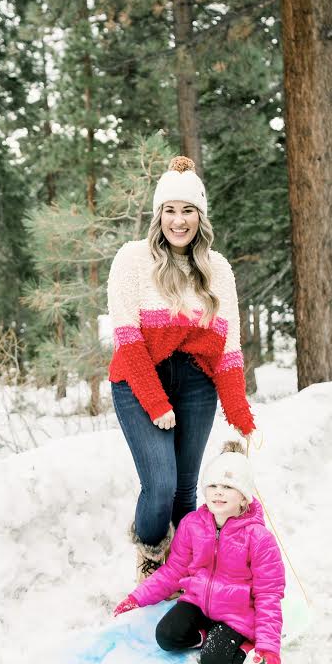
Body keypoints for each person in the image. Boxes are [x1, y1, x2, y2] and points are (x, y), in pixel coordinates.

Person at [107, 155, 255, 582]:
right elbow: (127, 338)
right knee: (161, 485)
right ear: (158, 215)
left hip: (195, 382)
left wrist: (240, 413)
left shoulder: (217, 270)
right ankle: (152, 553)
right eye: (169, 210)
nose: (178, 220)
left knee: (186, 489)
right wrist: (154, 402)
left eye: (188, 210)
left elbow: (227, 350)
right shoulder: (132, 260)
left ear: (200, 216)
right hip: (139, 379)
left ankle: (181, 565)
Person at [113, 441, 285, 664]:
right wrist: (137, 597)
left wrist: (268, 644)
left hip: (237, 614)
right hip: (200, 603)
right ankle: (205, 636)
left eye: (228, 486)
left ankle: (246, 646)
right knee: (166, 636)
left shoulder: (258, 538)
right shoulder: (193, 525)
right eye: (212, 485)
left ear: (244, 497)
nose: (218, 492)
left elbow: (269, 593)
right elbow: (174, 570)